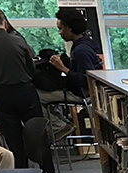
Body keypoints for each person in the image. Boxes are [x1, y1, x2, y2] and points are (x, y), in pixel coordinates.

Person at [0, 8, 58, 173]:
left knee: (13, 138)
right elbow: (32, 70)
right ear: (4, 22)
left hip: (2, 94)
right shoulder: (19, 42)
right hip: (25, 91)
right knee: (37, 133)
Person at [37, 7, 103, 139]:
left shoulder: (81, 51)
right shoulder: (84, 44)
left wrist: (63, 68)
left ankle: (59, 127)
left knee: (37, 96)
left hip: (82, 94)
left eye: (61, 28)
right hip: (80, 90)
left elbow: (86, 80)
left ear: (70, 28)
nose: (59, 32)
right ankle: (60, 124)